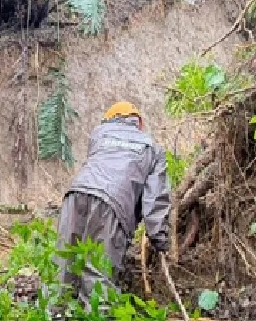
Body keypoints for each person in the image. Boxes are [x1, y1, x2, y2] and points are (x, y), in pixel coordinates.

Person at [56, 101, 170, 304]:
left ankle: (54, 319)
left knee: (63, 268)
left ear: (109, 120)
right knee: (98, 274)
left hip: (75, 196)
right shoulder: (151, 148)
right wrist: (159, 237)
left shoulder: (99, 135)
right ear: (138, 123)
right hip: (112, 205)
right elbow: (154, 199)